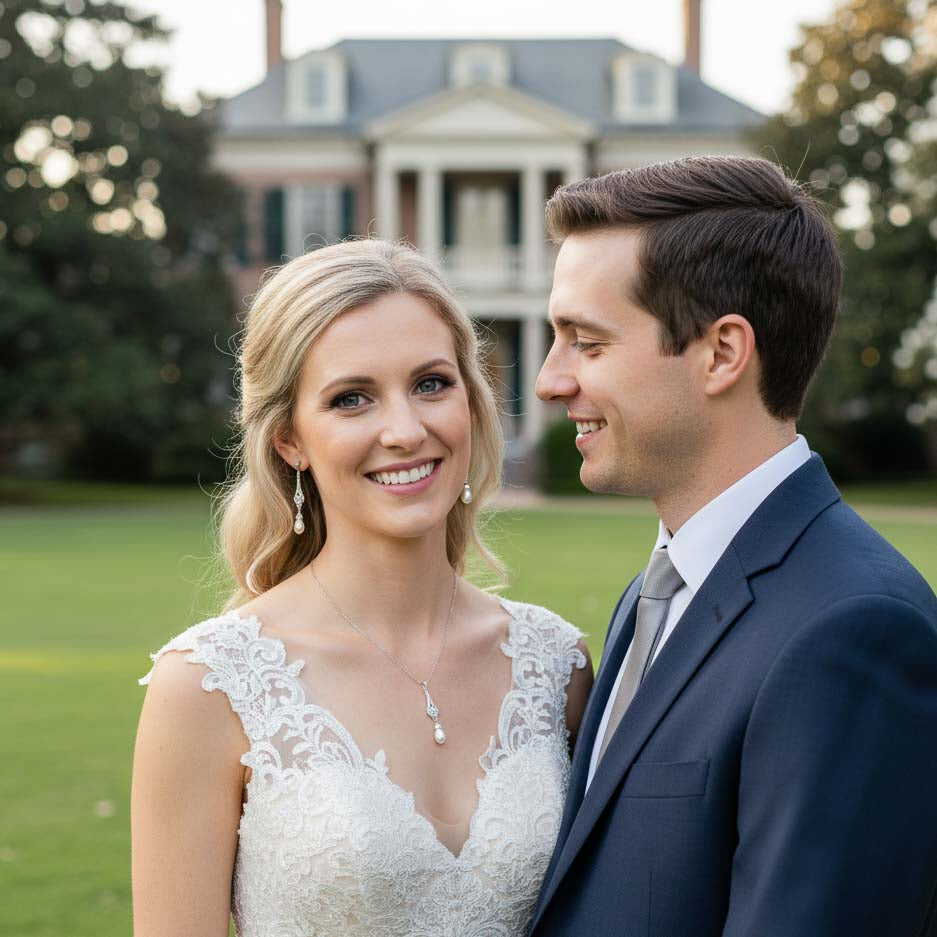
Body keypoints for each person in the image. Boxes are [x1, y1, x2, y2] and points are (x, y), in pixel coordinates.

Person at [131, 239, 593, 937]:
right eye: (351, 399)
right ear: (289, 439)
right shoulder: (209, 684)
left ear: (472, 402)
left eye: (431, 384)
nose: (405, 431)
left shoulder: (557, 664)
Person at [530, 156, 937, 937]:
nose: (550, 380)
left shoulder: (853, 631)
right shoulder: (656, 591)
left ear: (721, 353)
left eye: (585, 342)